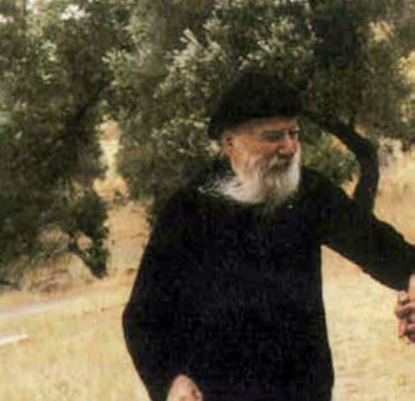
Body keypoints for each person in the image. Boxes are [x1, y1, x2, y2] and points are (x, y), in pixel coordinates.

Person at [122, 72, 415, 401]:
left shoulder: (310, 192)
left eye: (294, 133)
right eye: (273, 137)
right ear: (230, 143)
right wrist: (170, 380)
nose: (289, 148)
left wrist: (412, 276)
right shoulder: (189, 208)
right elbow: (142, 315)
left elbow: (377, 245)